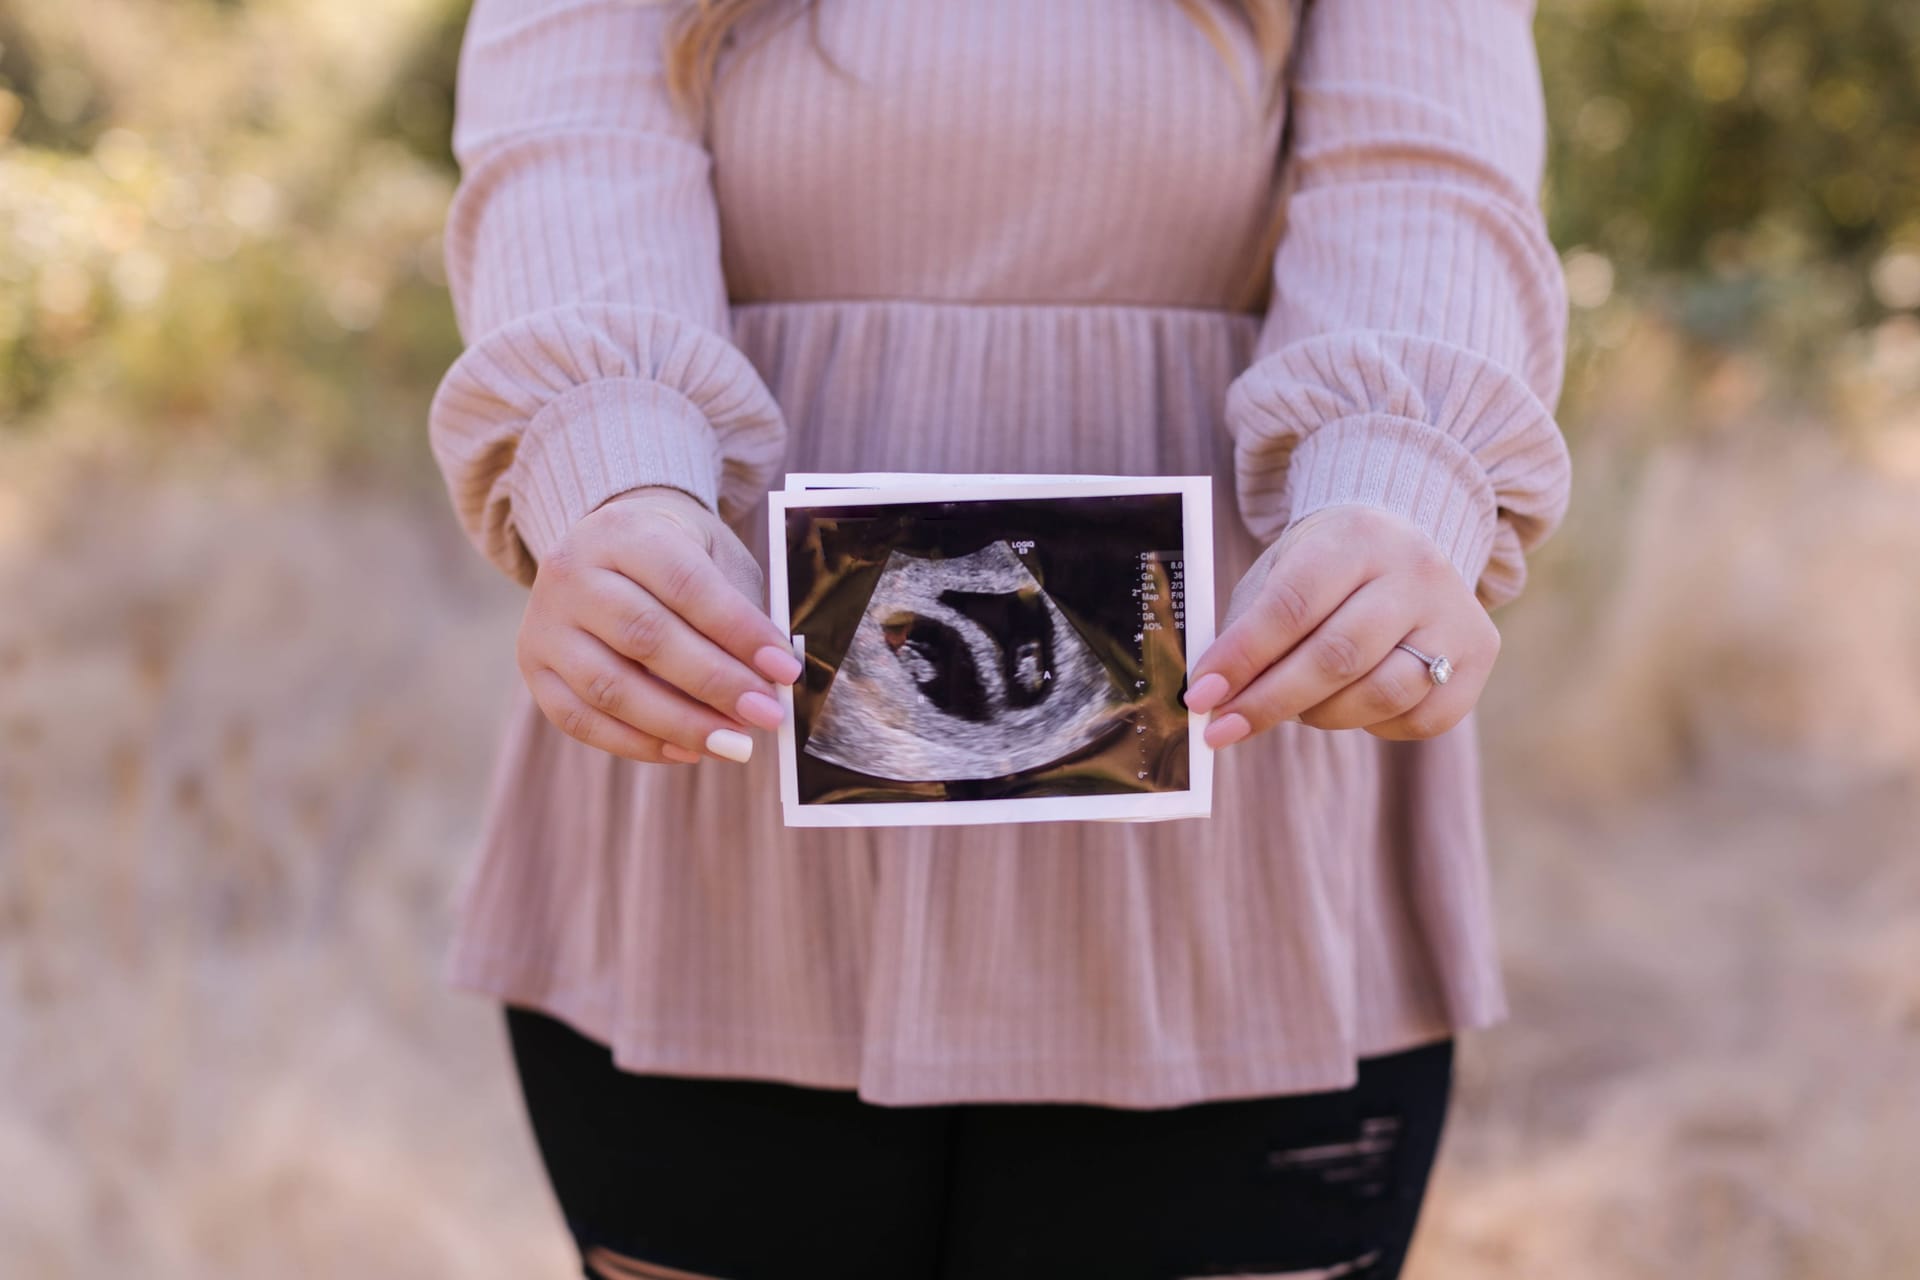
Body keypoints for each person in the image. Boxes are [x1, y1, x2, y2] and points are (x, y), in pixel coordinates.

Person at [427, 0, 1571, 1276]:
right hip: (727, 807)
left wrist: (1390, 490)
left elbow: (1423, 182)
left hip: (1234, 819)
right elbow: (573, 159)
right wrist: (618, 477)